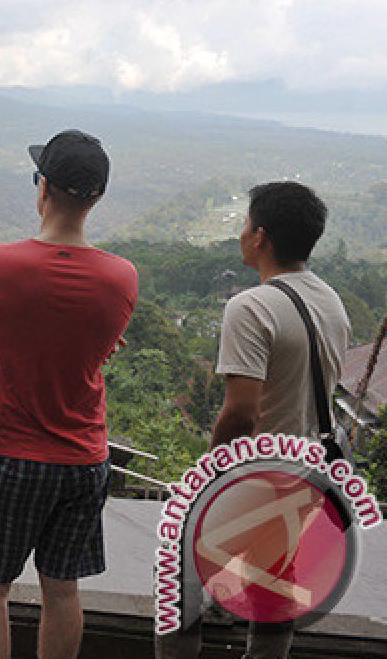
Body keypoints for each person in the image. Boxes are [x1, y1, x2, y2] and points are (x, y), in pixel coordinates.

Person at [0, 131, 138, 659]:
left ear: (42, 187)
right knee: (62, 588)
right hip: (84, 457)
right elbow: (99, 349)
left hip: (12, 451)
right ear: (97, 198)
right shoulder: (121, 278)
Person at [156, 181, 351, 659]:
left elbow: (242, 411)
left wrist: (210, 470)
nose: (242, 233)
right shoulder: (331, 301)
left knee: (179, 583)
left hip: (258, 477)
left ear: (260, 237)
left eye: (246, 224)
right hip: (310, 475)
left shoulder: (250, 307)